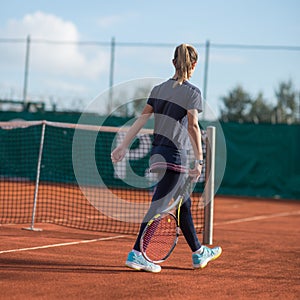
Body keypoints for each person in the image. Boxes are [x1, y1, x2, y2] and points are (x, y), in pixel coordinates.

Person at [111, 44, 222, 273]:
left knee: (183, 204)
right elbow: (192, 125)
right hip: (175, 158)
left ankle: (198, 253)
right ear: (194, 65)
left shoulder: (158, 89)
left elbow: (141, 120)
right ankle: (137, 253)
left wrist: (123, 145)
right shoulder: (192, 92)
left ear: (173, 62)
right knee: (159, 206)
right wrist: (200, 160)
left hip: (158, 156)